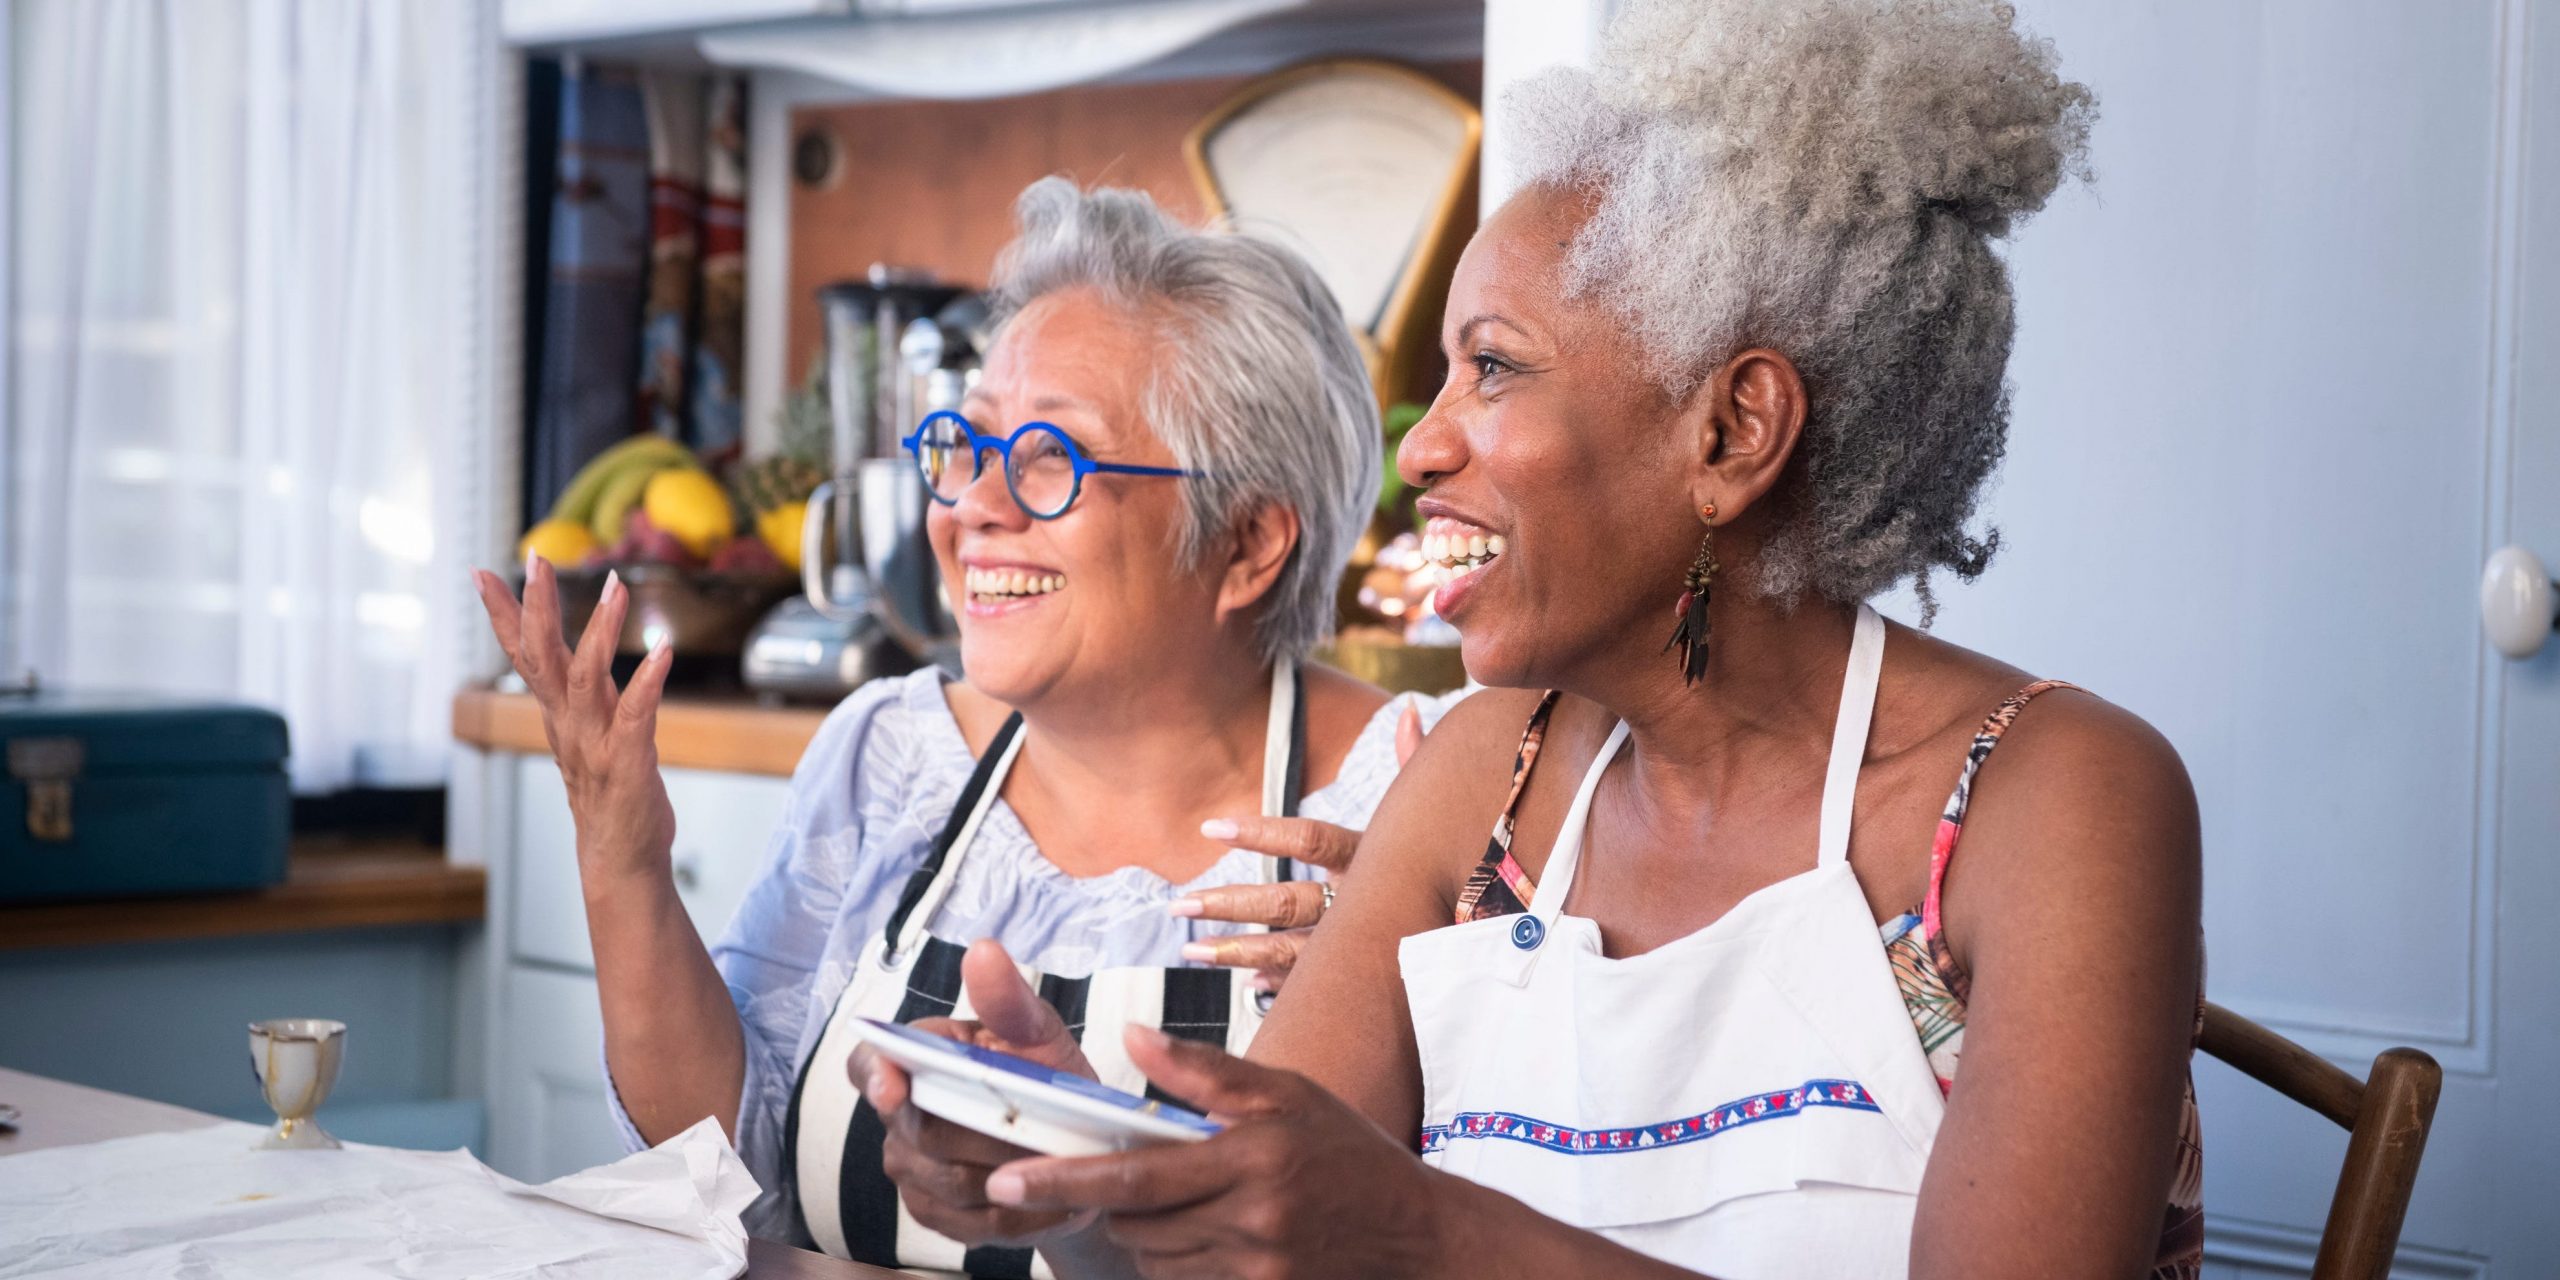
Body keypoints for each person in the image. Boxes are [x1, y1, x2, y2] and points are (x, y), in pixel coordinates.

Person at [861, 2, 2207, 1277]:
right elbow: (1256, 1243)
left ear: (1731, 433)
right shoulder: (1484, 771)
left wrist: (1423, 1239)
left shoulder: (2059, 798)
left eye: (1492, 368)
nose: (1424, 445)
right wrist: (1086, 1174)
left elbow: (1382, 1233)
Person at [470, 176, 1447, 1274]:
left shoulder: (1415, 795)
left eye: (1049, 458)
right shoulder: (890, 752)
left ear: (1247, 544)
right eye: (968, 444)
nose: (971, 505)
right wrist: (622, 853)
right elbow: (723, 1165)